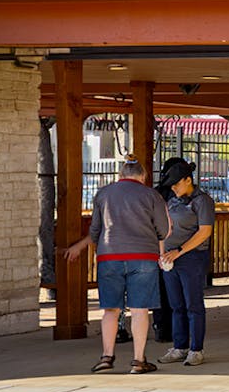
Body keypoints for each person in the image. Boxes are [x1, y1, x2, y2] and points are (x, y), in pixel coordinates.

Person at [64, 155, 169, 375]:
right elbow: (164, 229)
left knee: (110, 309)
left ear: (121, 175)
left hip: (108, 257)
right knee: (140, 309)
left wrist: (85, 246)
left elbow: (95, 230)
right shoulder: (152, 195)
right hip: (143, 256)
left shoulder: (103, 194)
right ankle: (138, 360)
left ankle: (107, 356)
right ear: (143, 175)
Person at [154, 159, 215, 367]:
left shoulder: (202, 201)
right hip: (170, 258)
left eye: (176, 184)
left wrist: (179, 251)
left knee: (193, 305)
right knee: (176, 305)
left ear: (188, 180)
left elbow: (204, 232)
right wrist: (163, 253)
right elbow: (163, 228)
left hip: (192, 257)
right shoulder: (173, 201)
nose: (173, 188)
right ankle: (179, 346)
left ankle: (196, 349)